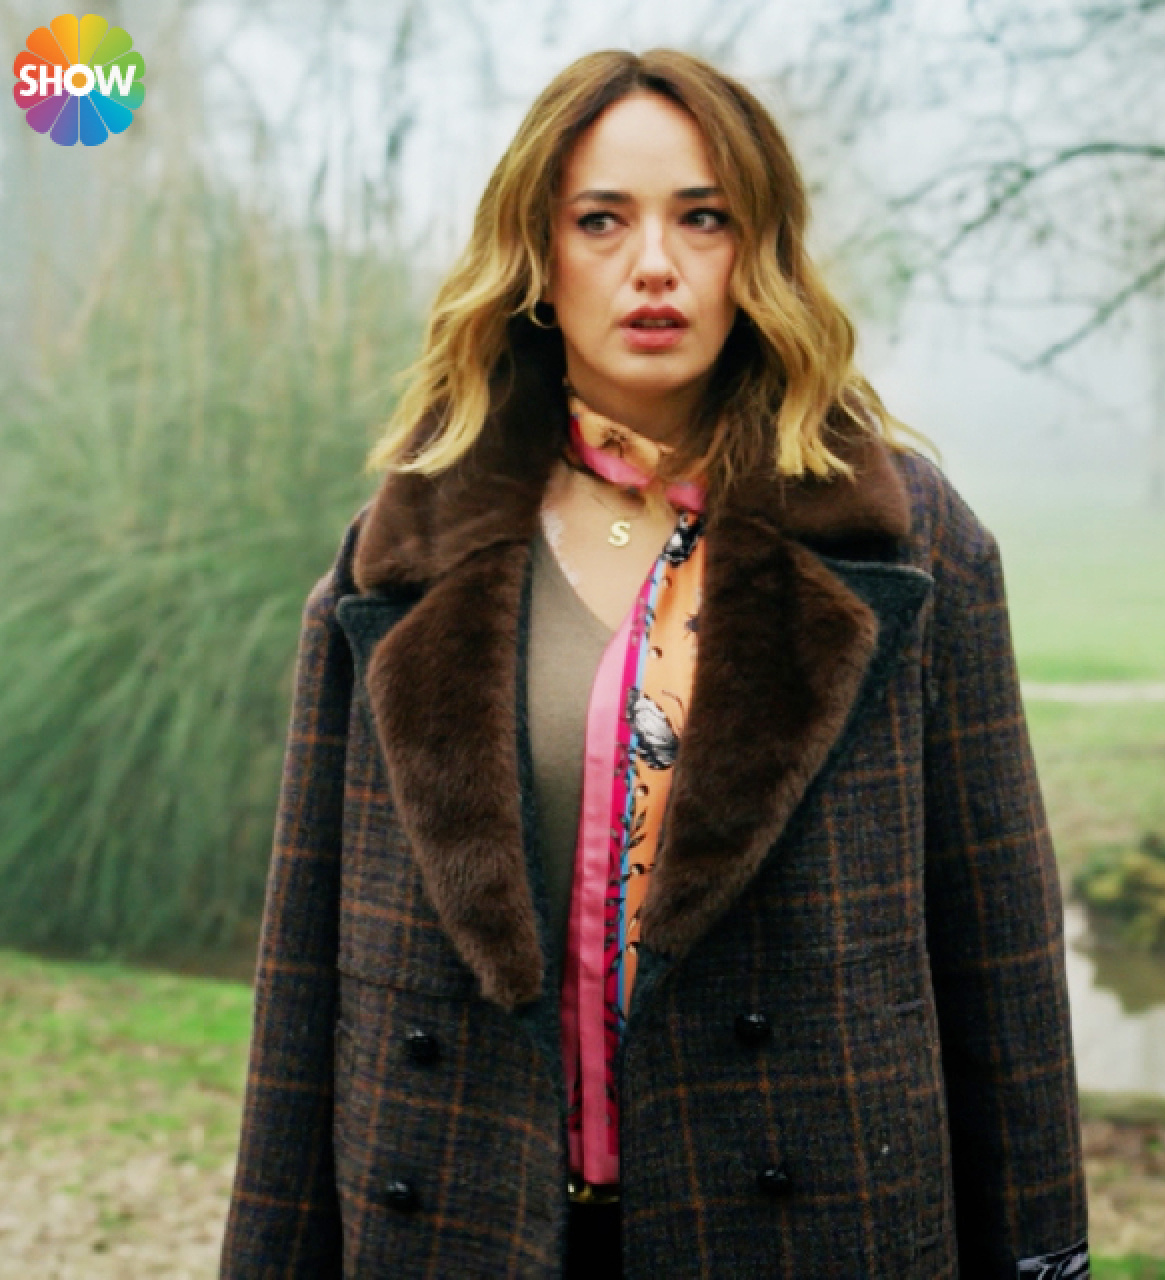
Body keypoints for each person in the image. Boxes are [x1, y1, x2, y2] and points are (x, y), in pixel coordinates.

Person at [219, 48, 1089, 1280]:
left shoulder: (906, 538)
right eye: (600, 219)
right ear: (536, 252)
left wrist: (1040, 1250)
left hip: (806, 1223)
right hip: (461, 1220)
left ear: (757, 249)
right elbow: (305, 971)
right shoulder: (403, 548)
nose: (653, 264)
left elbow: (1000, 954)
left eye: (701, 217)